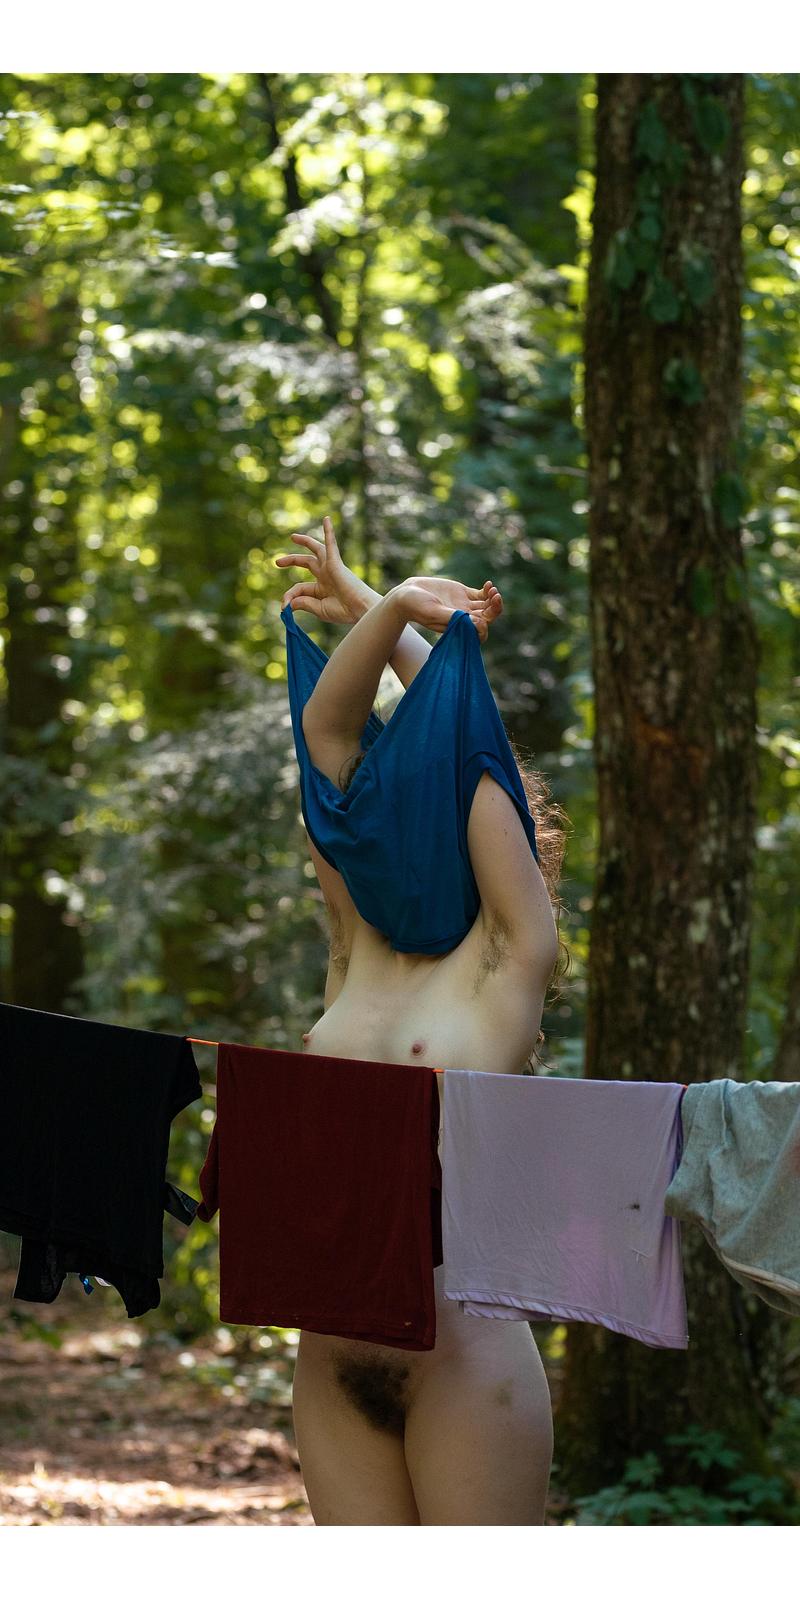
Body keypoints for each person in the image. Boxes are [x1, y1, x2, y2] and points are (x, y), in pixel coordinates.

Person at [273, 516, 566, 1526]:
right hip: (328, 1358)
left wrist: (398, 611)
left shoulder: (505, 960)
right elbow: (328, 738)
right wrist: (380, 605)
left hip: (461, 1363)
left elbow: (464, 750)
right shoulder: (354, 942)